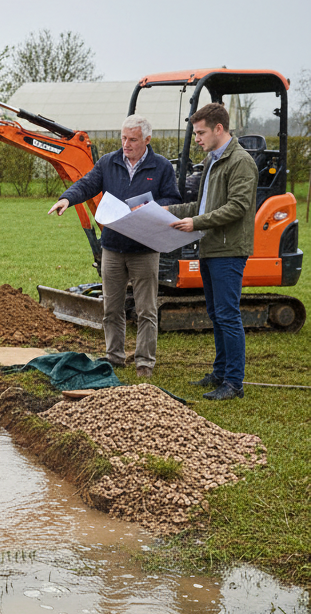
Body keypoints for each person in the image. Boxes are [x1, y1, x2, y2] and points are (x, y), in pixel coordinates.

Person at [48, 116, 180, 377]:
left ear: (147, 140)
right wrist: (67, 199)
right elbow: (87, 184)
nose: (126, 144)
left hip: (144, 248)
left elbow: (172, 199)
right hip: (112, 247)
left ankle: (144, 362)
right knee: (111, 307)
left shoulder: (162, 167)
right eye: (123, 138)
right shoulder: (109, 162)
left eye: (132, 139)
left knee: (146, 309)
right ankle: (114, 356)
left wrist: (153, 208)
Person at [168, 103, 257, 401]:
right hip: (209, 246)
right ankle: (220, 373)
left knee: (228, 315)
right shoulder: (212, 161)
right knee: (216, 313)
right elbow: (201, 207)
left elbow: (237, 207)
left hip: (228, 249)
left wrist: (196, 222)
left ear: (219, 129)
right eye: (195, 133)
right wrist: (167, 211)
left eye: (201, 132)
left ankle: (234, 383)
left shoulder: (240, 162)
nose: (197, 138)